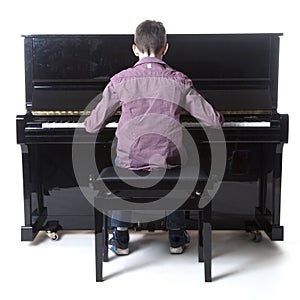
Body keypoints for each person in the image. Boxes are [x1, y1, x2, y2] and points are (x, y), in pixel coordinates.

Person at [84, 20, 223, 255]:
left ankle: (120, 236)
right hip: (167, 160)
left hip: (131, 161)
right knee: (180, 161)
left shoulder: (120, 81)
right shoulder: (178, 80)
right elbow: (212, 121)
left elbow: (93, 125)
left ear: (135, 48)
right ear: (165, 48)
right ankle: (176, 236)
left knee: (121, 162)